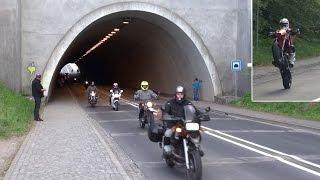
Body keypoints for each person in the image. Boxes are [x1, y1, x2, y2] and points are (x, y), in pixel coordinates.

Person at [162, 85, 204, 156]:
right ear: (175, 94)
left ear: (184, 95)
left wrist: (201, 115)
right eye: (178, 94)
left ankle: (197, 146)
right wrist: (167, 116)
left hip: (185, 123)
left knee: (196, 132)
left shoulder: (187, 102)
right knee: (168, 133)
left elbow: (195, 110)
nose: (179, 96)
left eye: (181, 94)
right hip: (174, 123)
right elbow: (166, 112)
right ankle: (167, 147)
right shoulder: (170, 103)